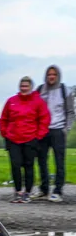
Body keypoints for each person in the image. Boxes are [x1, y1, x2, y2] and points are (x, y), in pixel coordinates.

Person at [0, 77, 50, 203]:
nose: (24, 88)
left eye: (26, 86)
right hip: (13, 139)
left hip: (30, 138)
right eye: (22, 86)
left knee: (29, 166)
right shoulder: (11, 101)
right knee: (15, 165)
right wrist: (5, 133)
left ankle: (27, 192)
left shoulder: (38, 101)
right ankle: (17, 192)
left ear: (31, 87)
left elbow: (44, 119)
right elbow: (4, 118)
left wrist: (39, 135)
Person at [32, 65, 75, 202]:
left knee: (59, 161)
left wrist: (66, 129)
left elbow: (70, 112)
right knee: (41, 160)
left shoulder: (64, 90)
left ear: (58, 76)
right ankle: (44, 189)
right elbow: (34, 109)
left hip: (58, 130)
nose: (51, 77)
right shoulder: (40, 90)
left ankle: (58, 191)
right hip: (43, 130)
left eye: (54, 74)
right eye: (49, 74)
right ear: (46, 76)